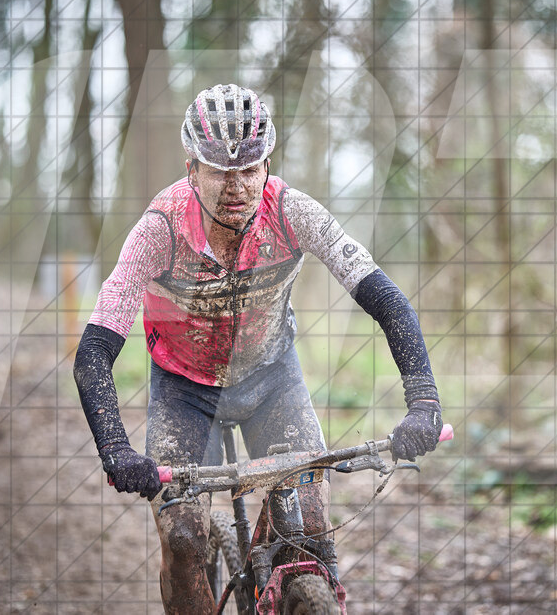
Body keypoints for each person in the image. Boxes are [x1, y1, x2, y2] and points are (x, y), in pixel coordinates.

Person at [73, 83, 443, 613]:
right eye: (219, 170)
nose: (236, 185)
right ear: (190, 167)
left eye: (250, 169)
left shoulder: (294, 211)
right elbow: (92, 354)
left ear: (267, 163)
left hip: (271, 378)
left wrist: (424, 401)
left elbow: (388, 301)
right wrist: (115, 449)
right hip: (183, 389)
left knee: (309, 528)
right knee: (183, 540)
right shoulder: (159, 228)